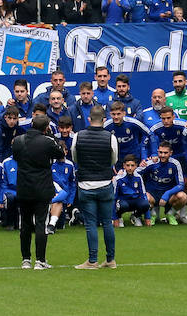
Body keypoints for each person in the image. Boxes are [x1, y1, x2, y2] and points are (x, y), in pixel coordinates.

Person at [13, 110, 64, 269]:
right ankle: (40, 260)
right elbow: (61, 153)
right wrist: (52, 136)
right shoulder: (47, 141)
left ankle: (26, 260)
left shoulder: (18, 141)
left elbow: (16, 157)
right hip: (42, 187)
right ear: (46, 128)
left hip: (24, 187)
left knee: (26, 224)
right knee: (41, 223)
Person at [71, 105, 118, 269]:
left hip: (86, 185)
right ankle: (110, 259)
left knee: (91, 224)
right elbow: (114, 160)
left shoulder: (78, 136)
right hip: (105, 183)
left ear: (89, 119)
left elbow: (75, 157)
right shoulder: (110, 137)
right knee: (107, 222)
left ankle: (92, 261)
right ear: (104, 120)